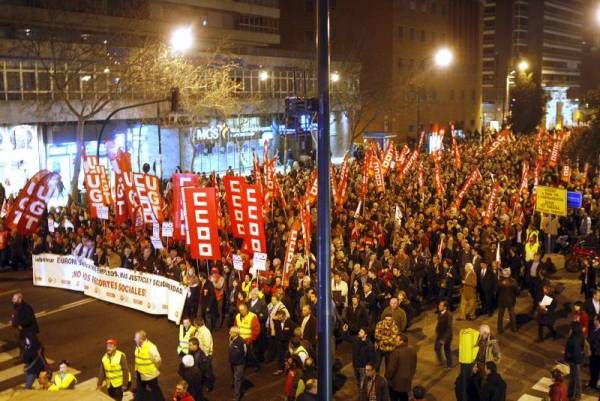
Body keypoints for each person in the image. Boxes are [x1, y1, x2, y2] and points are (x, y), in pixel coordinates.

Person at [341, 323, 376, 387]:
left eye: (361, 331)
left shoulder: (370, 345)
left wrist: (368, 369)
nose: (359, 332)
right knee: (358, 382)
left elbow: (372, 359)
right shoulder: (356, 339)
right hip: (356, 366)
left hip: (363, 368)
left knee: (363, 385)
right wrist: (345, 331)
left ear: (365, 335)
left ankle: (363, 395)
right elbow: (347, 338)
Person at [133, 330, 165, 401]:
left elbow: (158, 360)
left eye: (136, 338)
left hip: (150, 375)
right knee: (140, 390)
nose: (134, 339)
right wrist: (136, 371)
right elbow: (137, 359)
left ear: (141, 339)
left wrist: (155, 368)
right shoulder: (138, 346)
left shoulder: (151, 347)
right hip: (140, 373)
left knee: (155, 390)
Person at [385, 334, 417, 401]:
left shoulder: (396, 352)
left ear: (401, 341)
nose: (395, 341)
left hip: (395, 382)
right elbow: (414, 365)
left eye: (396, 340)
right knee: (404, 397)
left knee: (394, 397)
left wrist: (387, 377)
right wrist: (411, 375)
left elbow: (391, 369)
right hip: (407, 380)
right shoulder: (413, 350)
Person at [234, 303, 261, 369]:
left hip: (249, 339)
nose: (241, 312)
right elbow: (235, 326)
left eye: (243, 310)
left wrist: (251, 339)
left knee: (250, 354)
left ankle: (256, 365)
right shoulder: (237, 316)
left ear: (246, 309)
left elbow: (256, 330)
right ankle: (245, 364)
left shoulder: (252, 317)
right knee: (242, 353)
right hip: (240, 339)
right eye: (240, 310)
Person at [273, 309, 298, 375]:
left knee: (288, 355)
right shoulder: (276, 323)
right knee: (280, 356)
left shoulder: (290, 323)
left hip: (288, 342)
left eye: (281, 317)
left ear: (284, 316)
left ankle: (289, 369)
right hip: (279, 342)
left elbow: (297, 329)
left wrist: (293, 339)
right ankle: (280, 369)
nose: (279, 318)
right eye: (278, 317)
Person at [192, 317, 214, 392]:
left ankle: (209, 386)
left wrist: (203, 357)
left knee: (207, 372)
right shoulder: (199, 331)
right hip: (200, 354)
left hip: (205, 356)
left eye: (194, 324)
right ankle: (204, 383)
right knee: (201, 371)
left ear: (197, 324)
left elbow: (207, 346)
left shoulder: (205, 332)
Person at [564, 322, 584, 401]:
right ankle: (570, 392)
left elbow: (575, 351)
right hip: (577, 360)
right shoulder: (580, 335)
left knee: (576, 378)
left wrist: (569, 358)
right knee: (573, 377)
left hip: (574, 361)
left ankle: (577, 396)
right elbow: (581, 347)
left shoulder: (573, 339)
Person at [496, 269, 519, 333]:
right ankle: (514, 328)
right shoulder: (513, 281)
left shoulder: (500, 281)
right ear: (509, 274)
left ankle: (499, 329)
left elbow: (496, 290)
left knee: (500, 315)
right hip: (511, 300)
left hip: (501, 300)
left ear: (503, 274)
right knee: (512, 315)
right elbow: (517, 292)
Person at [229, 326, 247, 401]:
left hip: (240, 364)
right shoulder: (230, 339)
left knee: (237, 379)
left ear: (235, 333)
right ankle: (238, 389)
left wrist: (240, 359)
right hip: (233, 362)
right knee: (235, 378)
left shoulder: (242, 341)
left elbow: (245, 352)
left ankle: (237, 397)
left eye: (230, 332)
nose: (229, 333)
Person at [434, 300, 453, 369]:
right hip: (440, 334)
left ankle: (449, 364)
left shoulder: (449, 315)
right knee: (437, 348)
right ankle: (440, 361)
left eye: (440, 305)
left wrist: (444, 339)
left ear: (445, 307)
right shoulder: (440, 313)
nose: (439, 306)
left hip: (446, 336)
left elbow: (448, 328)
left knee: (446, 350)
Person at [588, 316, 600, 390]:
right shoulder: (593, 328)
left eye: (595, 319)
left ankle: (593, 385)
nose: (594, 320)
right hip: (592, 353)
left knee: (596, 370)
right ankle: (591, 382)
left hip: (597, 354)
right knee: (592, 369)